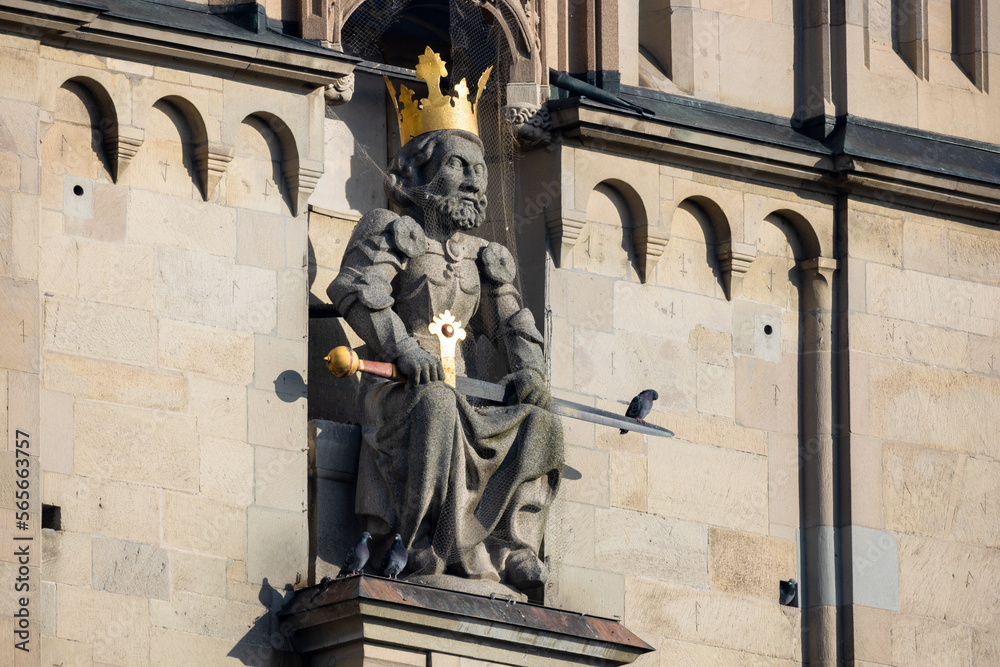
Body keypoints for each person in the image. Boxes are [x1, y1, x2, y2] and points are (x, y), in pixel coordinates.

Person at [327, 127, 563, 593]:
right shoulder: (388, 228)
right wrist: (405, 349)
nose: (474, 180)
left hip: (466, 394)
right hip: (401, 389)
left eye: (480, 170)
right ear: (421, 172)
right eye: (458, 165)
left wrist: (531, 372)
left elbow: (513, 323)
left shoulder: (486, 256)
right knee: (437, 405)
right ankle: (423, 546)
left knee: (542, 424)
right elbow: (356, 291)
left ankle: (510, 547)